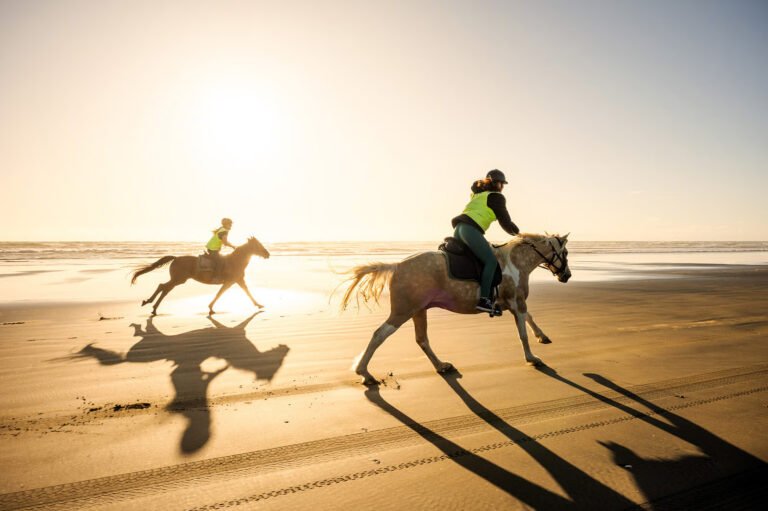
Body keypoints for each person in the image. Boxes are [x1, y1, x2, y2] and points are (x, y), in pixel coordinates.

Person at [451, 169, 520, 315]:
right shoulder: (496, 197)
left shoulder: (478, 194)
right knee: (491, 262)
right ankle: (483, 300)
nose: (503, 187)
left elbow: (474, 186)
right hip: (471, 230)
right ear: (497, 183)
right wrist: (519, 234)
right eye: (502, 184)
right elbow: (506, 222)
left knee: (476, 260)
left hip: (459, 229)